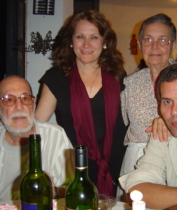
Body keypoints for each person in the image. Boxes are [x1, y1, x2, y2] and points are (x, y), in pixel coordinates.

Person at [35, 9, 127, 196]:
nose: (86, 44)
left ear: (105, 42)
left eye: (94, 37)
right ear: (71, 42)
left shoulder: (118, 75)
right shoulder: (56, 78)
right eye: (79, 37)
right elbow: (38, 128)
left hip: (117, 170)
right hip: (74, 172)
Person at [119, 63, 177, 210]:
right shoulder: (163, 132)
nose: (174, 112)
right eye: (168, 102)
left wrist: (168, 200)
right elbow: (137, 191)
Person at [119, 13, 177, 180]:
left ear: (174, 45)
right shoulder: (129, 83)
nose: (155, 46)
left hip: (174, 164)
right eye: (148, 40)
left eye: (163, 40)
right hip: (135, 165)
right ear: (139, 44)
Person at [0, 75, 74, 202]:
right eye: (9, 100)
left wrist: (54, 191)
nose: (19, 106)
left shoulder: (55, 135)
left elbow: (73, 188)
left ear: (33, 104)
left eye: (25, 98)